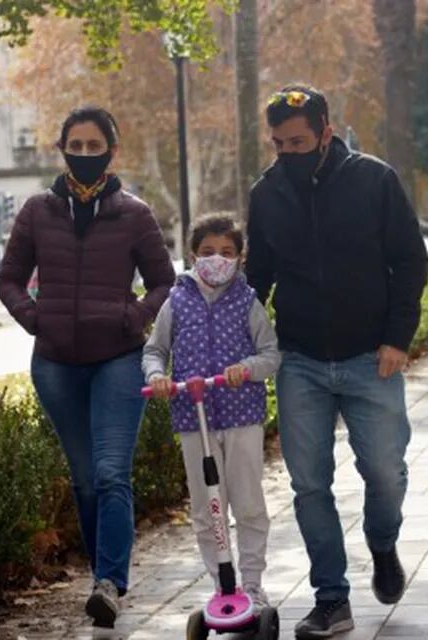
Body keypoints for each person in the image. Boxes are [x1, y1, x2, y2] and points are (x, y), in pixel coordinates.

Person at [245, 85, 428, 639]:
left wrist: (397, 339)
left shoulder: (374, 180)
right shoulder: (268, 192)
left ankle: (382, 542)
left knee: (384, 472)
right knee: (309, 486)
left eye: (298, 141)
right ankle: (331, 599)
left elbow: (410, 261)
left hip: (372, 358)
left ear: (327, 131)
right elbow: (258, 278)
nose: (288, 152)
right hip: (299, 359)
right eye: (278, 143)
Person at [0, 106, 175, 628]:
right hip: (55, 364)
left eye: (94, 146)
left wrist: (133, 315)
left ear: (111, 152)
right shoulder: (36, 212)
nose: (85, 155)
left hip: (119, 359)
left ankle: (109, 583)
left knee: (110, 473)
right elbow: (9, 278)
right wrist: (36, 320)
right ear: (62, 148)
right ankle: (105, 579)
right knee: (85, 480)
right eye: (75, 145)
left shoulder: (135, 214)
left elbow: (164, 283)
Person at [143, 214, 279, 613]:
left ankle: (252, 585)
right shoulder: (177, 300)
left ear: (240, 257)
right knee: (206, 509)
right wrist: (158, 376)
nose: (216, 259)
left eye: (226, 252)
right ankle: (223, 584)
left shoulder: (247, 301)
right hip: (192, 416)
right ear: (192, 255)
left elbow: (271, 354)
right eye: (207, 252)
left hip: (241, 417)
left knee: (247, 502)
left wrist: (247, 369)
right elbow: (155, 350)